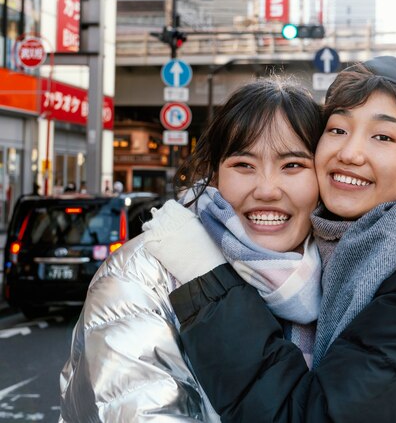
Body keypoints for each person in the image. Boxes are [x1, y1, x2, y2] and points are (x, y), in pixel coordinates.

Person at [168, 56, 396, 422]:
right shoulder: (309, 258)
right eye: (338, 129)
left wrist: (209, 285)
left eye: (382, 137)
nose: (349, 153)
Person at [59, 78, 324, 421]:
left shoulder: (347, 273)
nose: (267, 189)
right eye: (243, 165)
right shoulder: (140, 277)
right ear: (214, 175)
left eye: (293, 165)